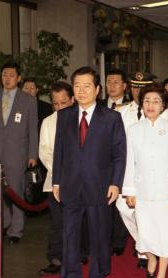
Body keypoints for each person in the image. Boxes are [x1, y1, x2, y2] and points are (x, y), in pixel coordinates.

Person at [52, 66, 126, 278]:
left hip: (100, 185)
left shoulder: (111, 117)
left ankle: (99, 272)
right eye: (77, 86)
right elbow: (60, 151)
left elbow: (119, 154)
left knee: (99, 235)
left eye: (86, 86)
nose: (81, 90)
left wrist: (115, 183)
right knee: (70, 235)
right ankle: (71, 273)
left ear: (97, 89)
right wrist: (57, 181)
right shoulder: (64, 115)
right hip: (70, 184)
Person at [123, 83, 168, 278]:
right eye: (147, 101)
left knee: (166, 235)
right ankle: (151, 258)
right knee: (144, 235)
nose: (151, 105)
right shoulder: (133, 130)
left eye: (156, 101)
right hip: (142, 192)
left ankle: (161, 274)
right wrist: (130, 191)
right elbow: (129, 163)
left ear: (163, 105)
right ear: (142, 104)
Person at [115, 72, 168, 269]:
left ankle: (146, 253)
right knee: (125, 210)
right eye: (135, 87)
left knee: (158, 223)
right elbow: (122, 148)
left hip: (160, 181)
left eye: (143, 87)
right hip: (132, 173)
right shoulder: (122, 111)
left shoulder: (164, 115)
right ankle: (144, 244)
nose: (138, 91)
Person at [0, 61, 38, 245]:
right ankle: (7, 220)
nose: (7, 78)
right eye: (4, 75)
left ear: (18, 78)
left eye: (12, 75)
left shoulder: (28, 100)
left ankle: (16, 231)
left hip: (17, 154)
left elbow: (32, 131)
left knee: (17, 193)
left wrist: (32, 154)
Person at [38, 81, 75, 275]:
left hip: (79, 181)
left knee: (79, 221)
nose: (59, 107)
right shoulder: (48, 122)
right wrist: (60, 172)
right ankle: (56, 257)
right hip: (55, 181)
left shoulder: (81, 119)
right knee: (57, 222)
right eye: (55, 103)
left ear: (72, 100)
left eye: (63, 102)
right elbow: (44, 151)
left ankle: (79, 255)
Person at [103, 69, 131, 256]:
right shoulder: (98, 107)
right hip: (101, 163)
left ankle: (119, 241)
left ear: (124, 86)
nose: (112, 86)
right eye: (109, 82)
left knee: (120, 202)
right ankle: (104, 237)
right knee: (103, 202)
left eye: (116, 82)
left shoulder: (132, 108)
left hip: (123, 160)